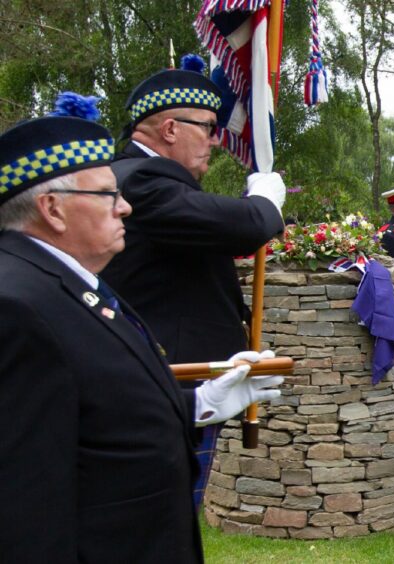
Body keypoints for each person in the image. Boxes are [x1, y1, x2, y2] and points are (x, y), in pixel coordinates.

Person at [0, 96, 282, 562]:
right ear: (52, 209)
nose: (126, 208)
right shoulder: (17, 308)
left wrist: (200, 404)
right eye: (108, 195)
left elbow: (99, 410)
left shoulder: (69, 285)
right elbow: (24, 506)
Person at [100, 60, 286, 508]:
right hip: (173, 381)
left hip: (179, 376)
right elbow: (236, 226)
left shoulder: (150, 179)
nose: (215, 140)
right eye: (206, 127)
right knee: (161, 514)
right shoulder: (141, 179)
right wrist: (264, 204)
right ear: (169, 129)